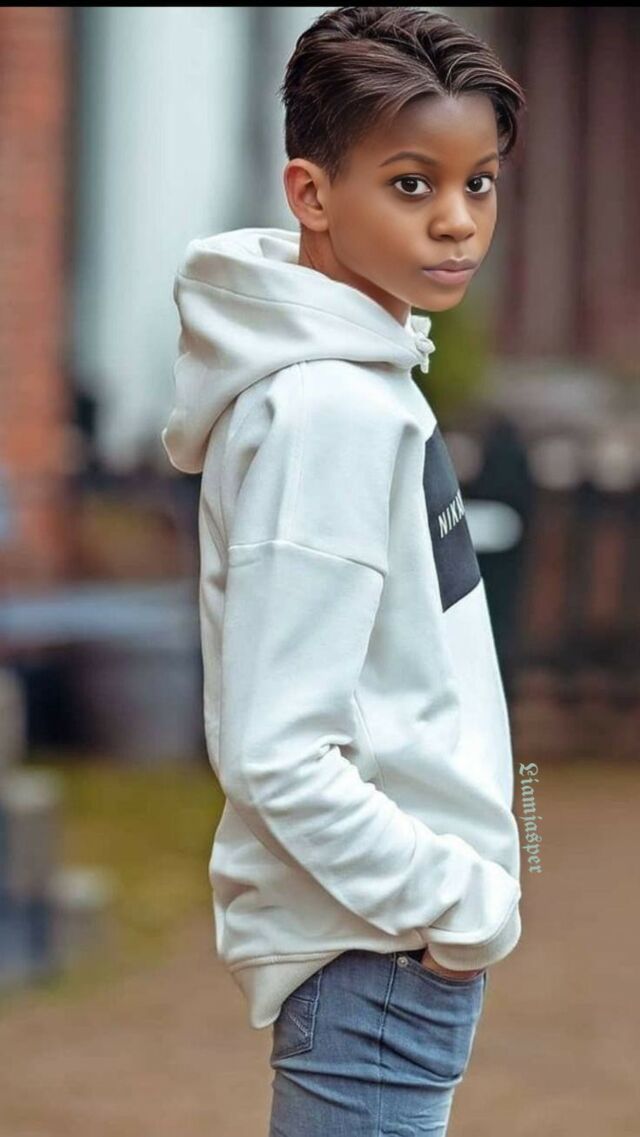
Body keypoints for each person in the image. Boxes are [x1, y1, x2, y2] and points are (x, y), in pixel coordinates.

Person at [161, 7, 527, 1134]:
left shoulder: (366, 383)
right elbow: (276, 749)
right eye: (413, 184)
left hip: (388, 948)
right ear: (311, 194)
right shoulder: (327, 410)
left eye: (479, 182)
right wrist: (459, 908)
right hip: (376, 954)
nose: (457, 220)